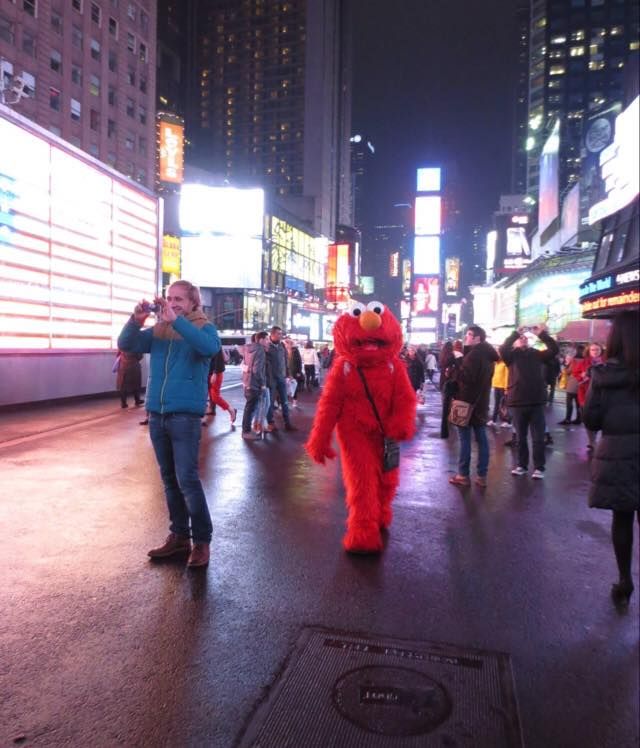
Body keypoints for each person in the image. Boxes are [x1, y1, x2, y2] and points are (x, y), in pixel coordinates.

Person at [118, 280, 220, 568]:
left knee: (187, 479)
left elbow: (209, 349)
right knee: (168, 479)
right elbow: (127, 344)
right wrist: (136, 319)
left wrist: (178, 322)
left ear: (192, 303)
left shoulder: (203, 327)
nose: (172, 303)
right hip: (158, 413)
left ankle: (201, 541)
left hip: (185, 415)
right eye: (169, 298)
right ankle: (179, 537)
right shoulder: (159, 330)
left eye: (179, 299)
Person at [583, 311, 639, 608]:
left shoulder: (604, 375)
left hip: (617, 455)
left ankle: (625, 580)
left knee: (623, 518)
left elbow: (591, 420)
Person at [500, 324, 559, 479]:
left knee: (538, 437)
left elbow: (554, 349)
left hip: (536, 400)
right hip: (517, 401)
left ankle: (539, 467)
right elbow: (503, 349)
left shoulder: (537, 354)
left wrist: (542, 334)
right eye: (521, 338)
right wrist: (515, 333)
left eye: (526, 337)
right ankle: (521, 465)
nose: (523, 339)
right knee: (520, 437)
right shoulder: (511, 356)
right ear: (516, 342)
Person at [449, 326, 498, 488]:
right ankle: (482, 476)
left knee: (464, 439)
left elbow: (466, 378)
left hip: (466, 402)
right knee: (482, 439)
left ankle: (463, 474)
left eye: (470, 335)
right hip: (481, 403)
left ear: (478, 338)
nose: (466, 337)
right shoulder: (489, 356)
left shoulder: (473, 355)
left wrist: (458, 360)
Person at [266, 325, 296, 431]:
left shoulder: (282, 346)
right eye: (279, 334)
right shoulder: (267, 346)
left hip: (281, 377)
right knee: (270, 402)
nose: (281, 335)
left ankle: (287, 423)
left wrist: (288, 373)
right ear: (272, 334)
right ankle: (270, 423)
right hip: (271, 379)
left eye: (281, 333)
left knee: (285, 401)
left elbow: (285, 360)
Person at [241, 331, 269, 439]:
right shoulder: (260, 350)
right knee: (251, 407)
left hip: (247, 382)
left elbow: (244, 365)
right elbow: (257, 370)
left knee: (249, 407)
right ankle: (246, 431)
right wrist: (262, 384)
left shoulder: (248, 348)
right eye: (266, 339)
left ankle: (246, 430)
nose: (268, 341)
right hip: (255, 384)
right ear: (261, 340)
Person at [578, 342, 605, 452]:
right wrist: (582, 376)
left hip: (602, 396)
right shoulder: (584, 362)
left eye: (597, 349)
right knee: (588, 419)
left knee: (603, 419)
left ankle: (603, 441)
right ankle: (591, 441)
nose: (595, 352)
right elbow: (576, 374)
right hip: (586, 395)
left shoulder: (606, 363)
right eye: (592, 350)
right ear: (588, 351)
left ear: (601, 351)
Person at [201, 349, 237, 427]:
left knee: (215, 397)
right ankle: (203, 417)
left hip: (215, 373)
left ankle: (231, 410)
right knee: (204, 394)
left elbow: (219, 359)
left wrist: (215, 373)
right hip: (208, 372)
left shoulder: (215, 341)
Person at [439, 340, 463, 438]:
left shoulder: (443, 356)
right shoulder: (456, 355)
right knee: (457, 404)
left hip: (444, 382)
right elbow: (460, 368)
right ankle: (456, 422)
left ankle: (444, 432)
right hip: (454, 382)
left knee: (445, 407)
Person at [559, 345, 584, 424]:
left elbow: (569, 371)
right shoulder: (585, 360)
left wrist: (566, 366)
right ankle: (579, 419)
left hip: (572, 384)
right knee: (578, 403)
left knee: (569, 403)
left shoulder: (574, 360)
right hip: (581, 384)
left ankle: (568, 419)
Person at [487, 355, 509, 426]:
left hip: (503, 387)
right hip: (496, 386)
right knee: (497, 403)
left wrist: (506, 388)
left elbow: (506, 376)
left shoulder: (505, 364)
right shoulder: (496, 364)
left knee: (504, 405)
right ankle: (493, 420)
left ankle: (507, 421)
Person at [284, 337, 303, 407]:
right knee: (285, 388)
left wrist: (299, 372)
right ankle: (285, 402)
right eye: (285, 343)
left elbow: (299, 362)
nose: (286, 345)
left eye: (287, 343)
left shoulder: (295, 351)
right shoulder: (283, 351)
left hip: (294, 371)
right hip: (286, 372)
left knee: (294, 387)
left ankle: (294, 402)